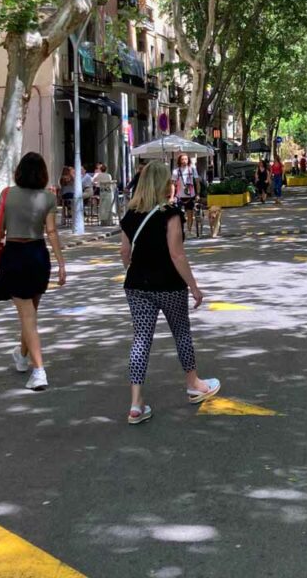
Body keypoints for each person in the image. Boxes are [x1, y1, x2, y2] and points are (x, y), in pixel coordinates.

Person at [119, 161, 220, 424]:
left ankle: (136, 404)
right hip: (169, 286)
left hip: (137, 286)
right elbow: (177, 254)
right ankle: (193, 383)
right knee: (181, 333)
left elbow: (124, 253)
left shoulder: (130, 214)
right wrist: (194, 287)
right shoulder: (171, 214)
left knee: (141, 340)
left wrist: (138, 271)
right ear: (163, 183)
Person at [0, 152, 66, 391]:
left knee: (28, 317)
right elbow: (51, 231)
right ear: (43, 173)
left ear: (19, 171)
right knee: (30, 314)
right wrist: (62, 263)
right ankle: (21, 356)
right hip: (39, 256)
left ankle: (39, 371)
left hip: (15, 254)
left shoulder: (7, 194)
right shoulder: (49, 197)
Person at [171, 153, 200, 232]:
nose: (184, 161)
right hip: (180, 196)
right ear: (179, 161)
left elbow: (197, 182)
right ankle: (180, 230)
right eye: (182, 159)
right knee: (178, 214)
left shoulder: (192, 169)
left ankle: (189, 230)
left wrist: (198, 194)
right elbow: (173, 184)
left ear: (188, 160)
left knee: (190, 214)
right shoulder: (176, 171)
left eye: (186, 159)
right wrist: (172, 196)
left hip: (190, 195)